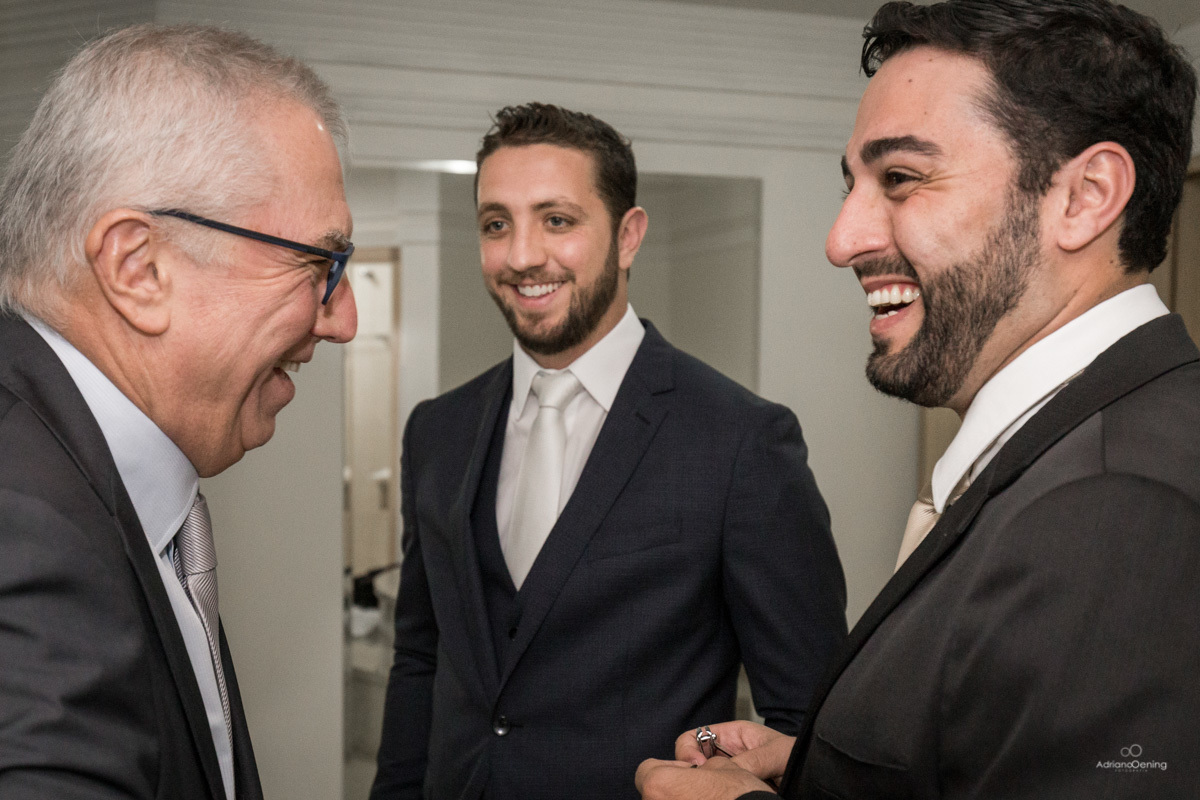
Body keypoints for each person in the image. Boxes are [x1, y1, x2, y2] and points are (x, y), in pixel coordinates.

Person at [636, 0, 1200, 798]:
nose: (841, 240)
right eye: (853, 184)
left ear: (1084, 197)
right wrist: (817, 768)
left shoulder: (1122, 507)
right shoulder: (1067, 447)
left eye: (900, 177)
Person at [369, 102, 847, 800]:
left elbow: (810, 721)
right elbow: (418, 658)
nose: (522, 254)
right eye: (496, 223)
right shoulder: (437, 430)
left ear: (628, 236)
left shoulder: (743, 441)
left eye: (557, 219)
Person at [0, 24, 357, 800]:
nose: (343, 317)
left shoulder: (89, 475)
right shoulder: (25, 526)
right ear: (140, 268)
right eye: (320, 266)